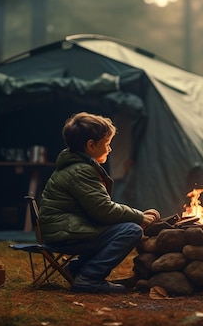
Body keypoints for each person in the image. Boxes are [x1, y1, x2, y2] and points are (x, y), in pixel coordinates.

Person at [39, 112, 160, 293]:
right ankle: (89, 278)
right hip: (65, 233)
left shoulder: (76, 167)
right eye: (107, 143)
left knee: (118, 227)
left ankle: (78, 268)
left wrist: (136, 215)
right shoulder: (81, 171)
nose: (110, 149)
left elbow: (98, 208)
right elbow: (103, 210)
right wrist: (139, 217)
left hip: (66, 229)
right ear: (91, 145)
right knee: (131, 230)